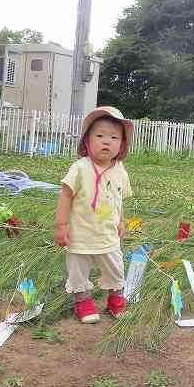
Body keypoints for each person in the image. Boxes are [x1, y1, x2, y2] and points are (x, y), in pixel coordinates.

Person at [54, 106, 133, 323]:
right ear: (87, 141)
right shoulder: (80, 168)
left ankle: (116, 301)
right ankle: (84, 302)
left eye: (114, 137)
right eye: (100, 136)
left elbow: (118, 198)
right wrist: (61, 226)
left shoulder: (120, 169)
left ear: (122, 144)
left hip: (108, 236)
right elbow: (66, 196)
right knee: (78, 273)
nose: (106, 141)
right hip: (80, 236)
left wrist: (121, 221)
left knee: (116, 270)